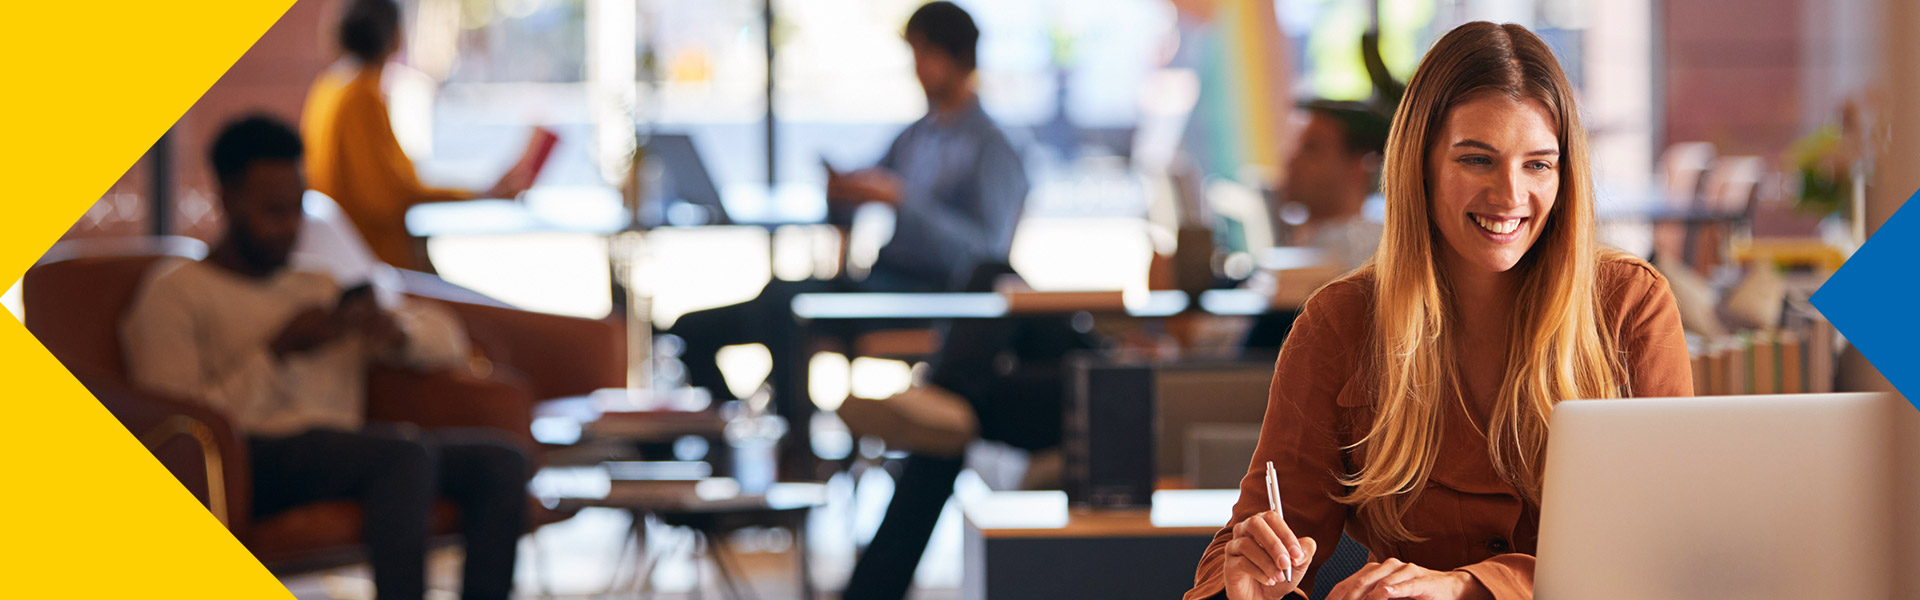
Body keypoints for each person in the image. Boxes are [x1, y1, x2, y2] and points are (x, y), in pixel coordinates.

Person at [1186, 23, 1692, 600]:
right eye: (1477, 160)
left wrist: (1465, 588)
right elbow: (1246, 557)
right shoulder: (1340, 324)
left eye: (1538, 165)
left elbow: (1664, 550)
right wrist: (1249, 585)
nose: (1508, 195)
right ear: (1420, 166)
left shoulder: (1629, 305)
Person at [122, 116, 528, 600]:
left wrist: (396, 334)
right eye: (274, 211)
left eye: (298, 210)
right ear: (227, 200)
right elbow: (182, 431)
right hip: (255, 456)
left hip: (352, 452)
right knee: (402, 455)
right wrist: (277, 352)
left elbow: (448, 343)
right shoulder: (174, 294)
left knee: (501, 462)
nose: (290, 228)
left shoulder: (315, 283)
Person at [665, 1, 1028, 405]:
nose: (917, 66)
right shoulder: (916, 135)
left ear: (958, 56)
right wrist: (844, 193)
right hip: (880, 281)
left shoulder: (992, 147)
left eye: (926, 53)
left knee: (787, 304)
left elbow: (986, 256)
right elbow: (864, 197)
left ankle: (790, 436)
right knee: (712, 321)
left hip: (930, 295)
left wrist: (903, 201)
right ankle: (751, 428)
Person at [301, 0, 533, 270]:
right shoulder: (359, 96)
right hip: (373, 263)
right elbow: (391, 195)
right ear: (397, 36)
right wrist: (481, 193)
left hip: (345, 253)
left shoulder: (329, 86)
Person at [1244, 100, 1391, 350]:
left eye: (1310, 148)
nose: (1290, 159)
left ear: (1361, 166)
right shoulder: (1306, 242)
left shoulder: (1352, 257)